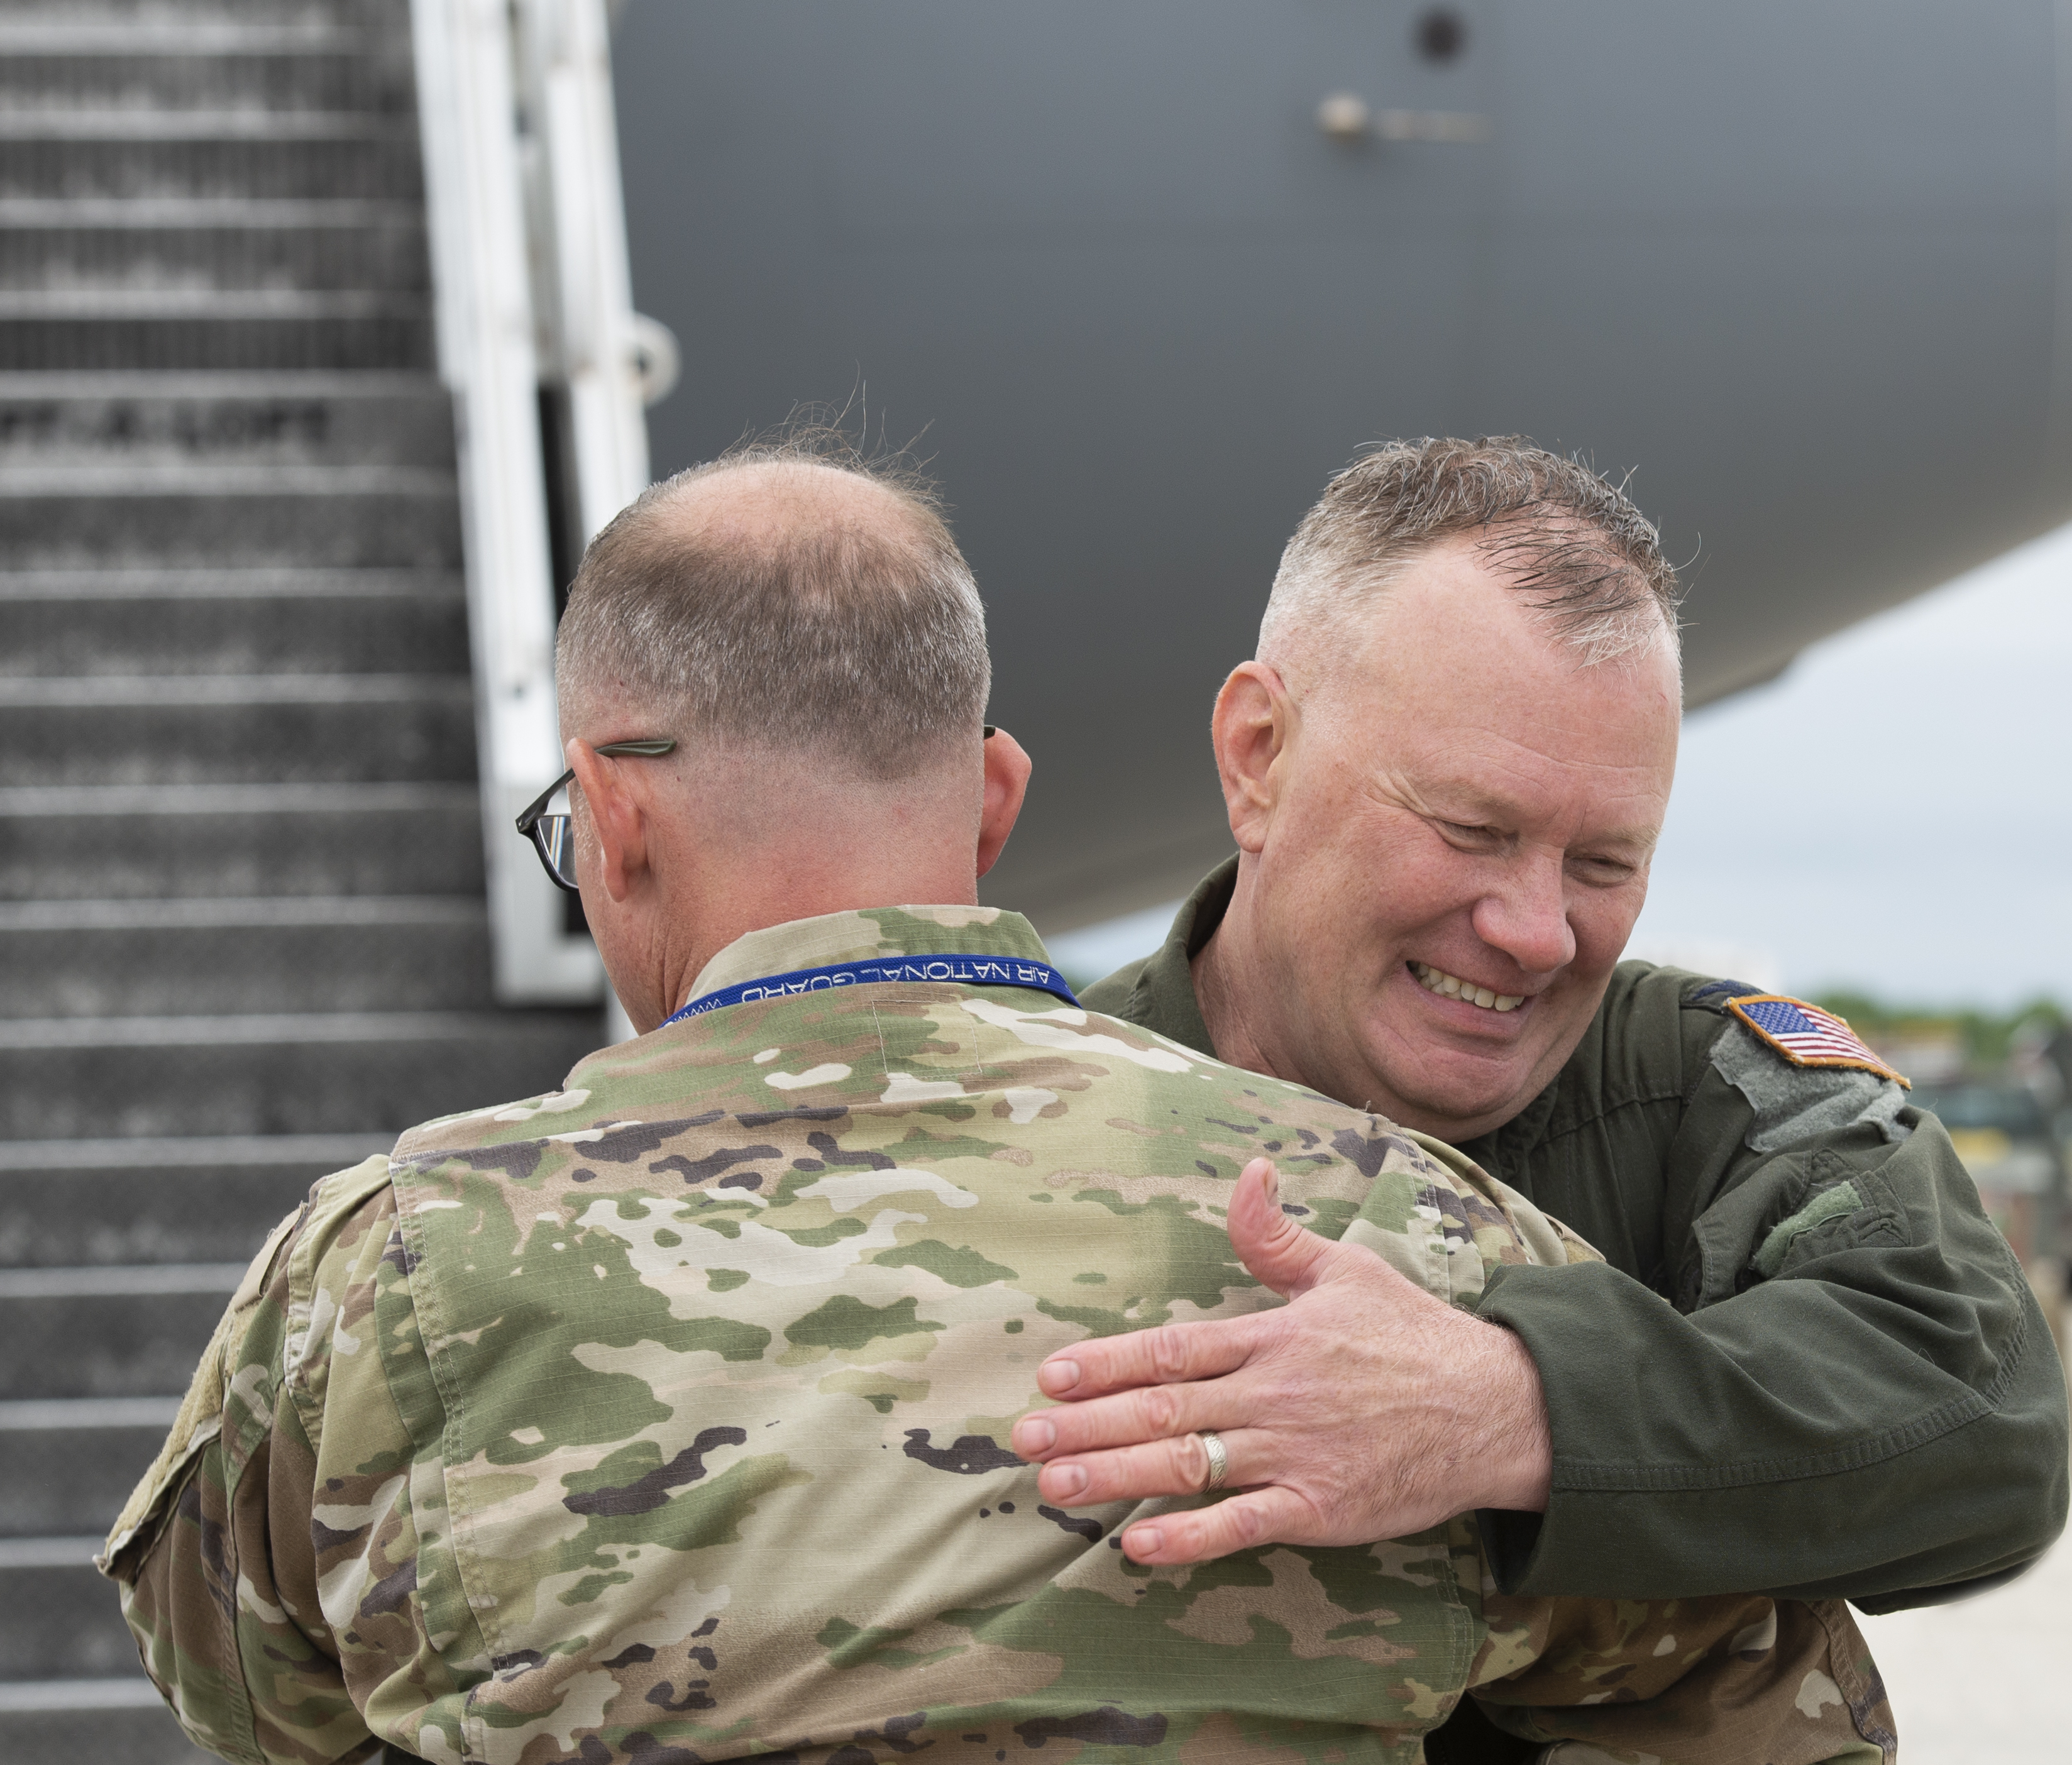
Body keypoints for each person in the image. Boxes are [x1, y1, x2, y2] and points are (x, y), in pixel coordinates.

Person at [97, 436, 1898, 1764]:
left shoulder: (380, 1282)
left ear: (617, 819)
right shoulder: (1396, 1252)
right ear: (996, 800)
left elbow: (258, 1708)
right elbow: (1781, 1714)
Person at [1018, 439, 2068, 1641]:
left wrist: (1515, 1411)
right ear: (1260, 757)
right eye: (1471, 829)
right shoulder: (1021, 1118)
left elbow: (1986, 1412)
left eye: (1605, 863)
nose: (1536, 934)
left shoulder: (1695, 1089)